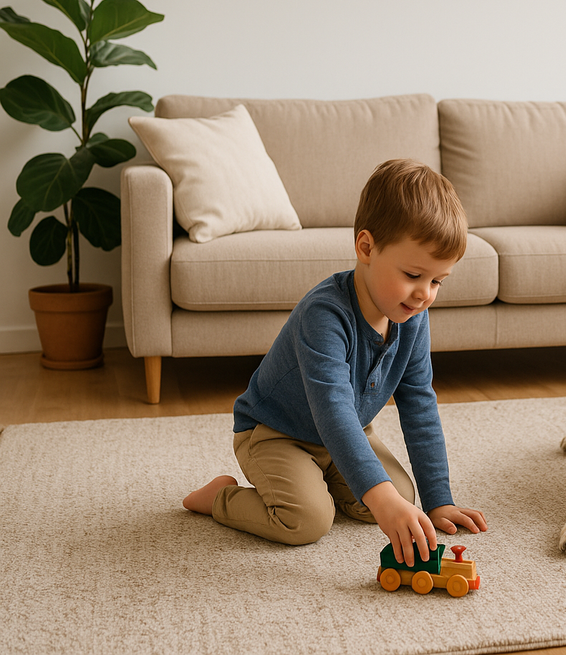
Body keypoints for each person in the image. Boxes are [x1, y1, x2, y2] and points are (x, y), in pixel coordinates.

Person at [183, 159, 487, 565]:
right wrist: (378, 498)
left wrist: (439, 500)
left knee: (403, 496)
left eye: (437, 281)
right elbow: (334, 412)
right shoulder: (323, 315)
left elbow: (419, 404)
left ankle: (327, 478)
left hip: (347, 434)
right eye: (414, 274)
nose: (424, 294)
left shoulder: (412, 318)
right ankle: (220, 497)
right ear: (366, 247)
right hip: (275, 433)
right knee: (308, 521)